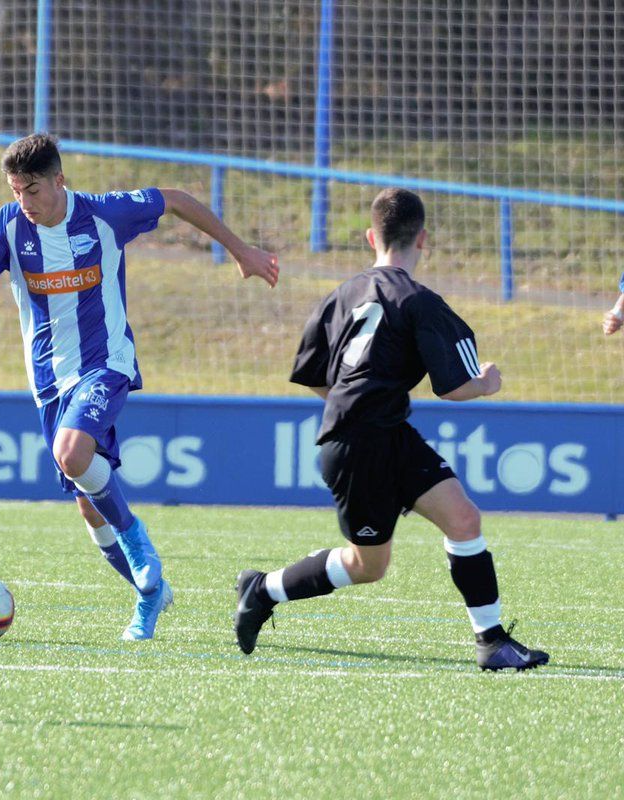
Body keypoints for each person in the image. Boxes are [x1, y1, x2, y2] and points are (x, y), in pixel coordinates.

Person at [0, 133, 279, 640]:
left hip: (107, 363)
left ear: (60, 180)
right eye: (16, 190)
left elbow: (175, 200)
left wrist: (239, 250)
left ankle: (138, 541)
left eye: (33, 190)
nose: (25, 202)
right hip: (48, 384)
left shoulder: (105, 214)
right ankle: (149, 595)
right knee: (87, 501)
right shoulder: (8, 225)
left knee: (70, 452)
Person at [233, 188, 548, 671]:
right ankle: (264, 588)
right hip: (361, 447)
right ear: (424, 238)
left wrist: (359, 406)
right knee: (368, 566)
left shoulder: (339, 296)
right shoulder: (420, 301)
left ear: (369, 237)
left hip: (382, 435)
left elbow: (317, 378)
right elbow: (454, 386)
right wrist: (486, 383)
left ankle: (492, 643)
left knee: (464, 520)